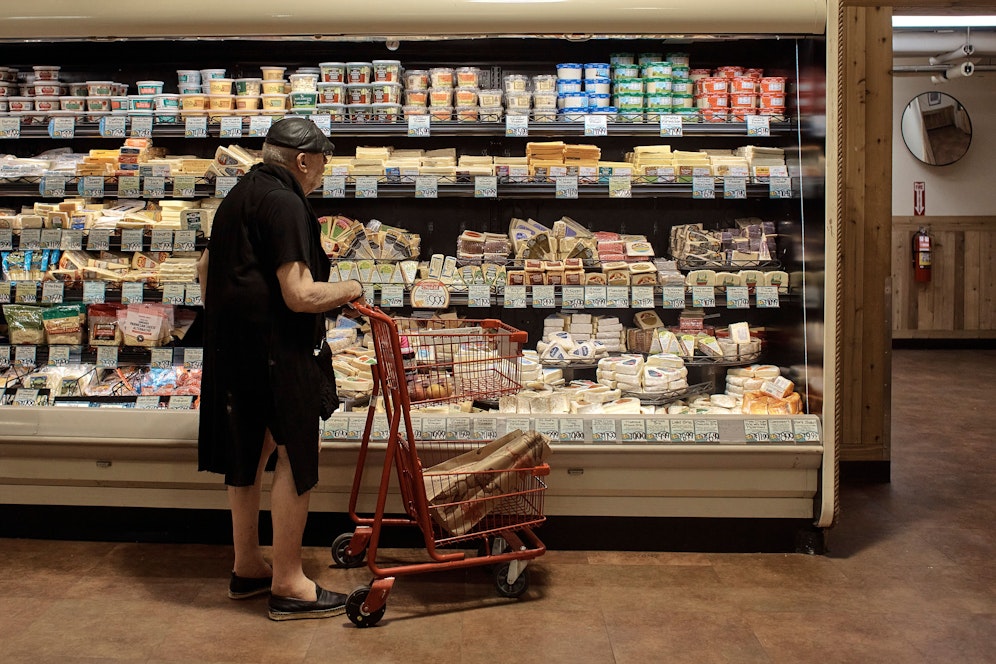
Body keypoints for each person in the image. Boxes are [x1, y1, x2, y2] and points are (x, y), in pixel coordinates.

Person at [197, 117, 363, 621]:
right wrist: (350, 288)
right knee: (293, 456)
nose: (323, 170)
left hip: (234, 353)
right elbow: (300, 294)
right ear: (302, 161)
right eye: (322, 161)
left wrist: (238, 318)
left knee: (249, 452)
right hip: (278, 355)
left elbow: (205, 272)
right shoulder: (287, 202)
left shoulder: (236, 196)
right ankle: (289, 583)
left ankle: (247, 564)